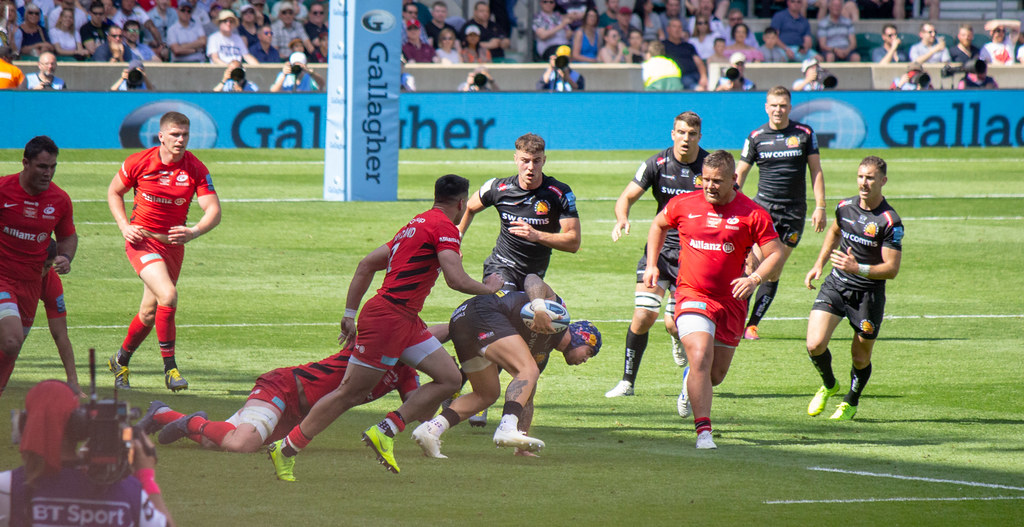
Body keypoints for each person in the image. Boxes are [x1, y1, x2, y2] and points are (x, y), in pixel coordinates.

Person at [264, 174, 497, 478]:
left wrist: (349, 312)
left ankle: (385, 430)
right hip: (389, 318)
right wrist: (489, 288)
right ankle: (286, 449)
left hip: (405, 319)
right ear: (462, 202)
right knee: (350, 392)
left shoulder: (415, 224)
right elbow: (455, 279)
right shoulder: (444, 228)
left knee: (450, 378)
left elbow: (366, 264)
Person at [645, 150, 784, 449]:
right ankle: (703, 432)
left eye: (717, 181)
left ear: (734, 179)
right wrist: (652, 264)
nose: (709, 186)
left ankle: (690, 384)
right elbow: (658, 225)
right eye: (704, 179)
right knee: (699, 355)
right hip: (692, 295)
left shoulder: (753, 213)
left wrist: (754, 278)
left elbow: (775, 254)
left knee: (715, 374)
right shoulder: (683, 204)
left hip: (732, 302)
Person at [412, 276, 602, 458]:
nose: (586, 359)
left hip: (464, 323)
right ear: (583, 336)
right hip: (481, 311)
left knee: (486, 394)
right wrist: (539, 307)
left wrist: (523, 444)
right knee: (528, 370)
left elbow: (527, 396)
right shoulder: (558, 313)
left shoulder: (542, 354)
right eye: (589, 352)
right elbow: (532, 278)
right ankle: (506, 428)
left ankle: (431, 430)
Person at [106, 112, 221, 393]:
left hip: (173, 247)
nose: (180, 140)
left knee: (148, 312)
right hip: (142, 241)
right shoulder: (139, 161)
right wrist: (124, 226)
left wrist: (193, 231)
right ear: (161, 136)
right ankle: (170, 369)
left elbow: (214, 211)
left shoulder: (195, 168)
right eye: (174, 134)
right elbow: (114, 192)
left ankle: (120, 361)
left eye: (184, 135)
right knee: (168, 296)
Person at [145, 345, 419, 456]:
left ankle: (162, 413)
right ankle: (192, 421)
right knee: (242, 444)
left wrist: (448, 380)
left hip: (296, 415)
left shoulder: (406, 373)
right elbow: (430, 332)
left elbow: (419, 408)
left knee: (215, 441)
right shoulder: (376, 343)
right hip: (283, 388)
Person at [605, 112, 708, 398]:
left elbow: (731, 200)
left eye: (692, 133)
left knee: (675, 324)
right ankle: (627, 382)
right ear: (672, 134)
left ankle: (676, 336)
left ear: (699, 136)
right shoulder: (657, 163)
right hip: (660, 250)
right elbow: (626, 197)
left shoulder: (710, 167)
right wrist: (622, 218)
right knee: (643, 316)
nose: (686, 138)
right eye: (681, 132)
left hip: (695, 255)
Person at [803, 156, 903, 421]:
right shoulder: (845, 207)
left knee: (860, 357)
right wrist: (819, 264)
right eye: (861, 176)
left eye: (870, 178)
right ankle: (829, 384)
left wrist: (856, 267)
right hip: (836, 285)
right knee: (814, 344)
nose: (864, 183)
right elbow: (835, 232)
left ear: (883, 181)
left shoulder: (889, 221)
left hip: (867, 295)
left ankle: (850, 400)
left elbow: (891, 269)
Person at [0, 380, 175, 526]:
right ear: (79, 425)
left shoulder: (10, 487)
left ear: (25, 425)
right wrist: (146, 477)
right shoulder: (126, 491)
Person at [736, 86, 826, 340]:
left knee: (773, 269)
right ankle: (736, 318)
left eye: (783, 105)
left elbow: (816, 171)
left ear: (789, 107)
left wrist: (821, 206)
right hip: (762, 209)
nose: (778, 110)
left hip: (793, 212)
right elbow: (741, 172)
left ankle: (752, 324)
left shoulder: (804, 134)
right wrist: (732, 203)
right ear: (766, 107)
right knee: (751, 263)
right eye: (774, 105)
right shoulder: (756, 137)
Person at [0, 136, 77, 396]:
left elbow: (67, 236)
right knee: (11, 340)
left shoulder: (60, 200)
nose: (48, 173)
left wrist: (66, 256)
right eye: (42, 166)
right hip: (3, 277)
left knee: (11, 349)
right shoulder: (3, 190)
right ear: (25, 163)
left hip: (32, 284)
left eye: (53, 166)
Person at [459, 133, 581, 291]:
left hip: (533, 276)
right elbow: (468, 207)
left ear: (544, 160)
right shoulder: (498, 188)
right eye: (525, 161)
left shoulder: (558, 193)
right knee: (506, 305)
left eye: (536, 161)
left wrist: (536, 235)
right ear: (516, 159)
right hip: (501, 267)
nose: (531, 167)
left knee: (539, 313)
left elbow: (573, 243)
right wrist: (456, 242)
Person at [662, 18, 707, 90]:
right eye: (674, 26)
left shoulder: (689, 46)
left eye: (680, 27)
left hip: (694, 75)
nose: (677, 29)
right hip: (677, 78)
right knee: (698, 88)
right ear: (668, 29)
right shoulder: (663, 45)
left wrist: (703, 76)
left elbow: (698, 61)